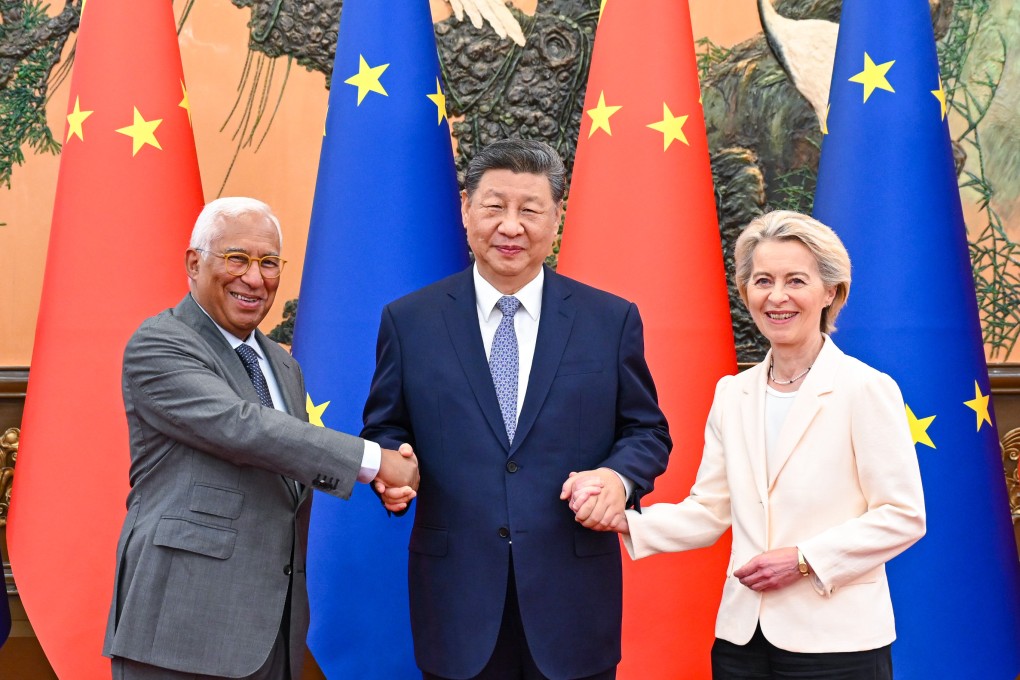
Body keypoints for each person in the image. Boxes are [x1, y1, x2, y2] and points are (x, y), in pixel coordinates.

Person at [361, 139, 672, 680]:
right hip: (456, 603)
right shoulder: (409, 322)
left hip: (573, 603)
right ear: (465, 209)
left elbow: (646, 430)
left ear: (556, 217)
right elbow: (386, 426)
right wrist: (392, 469)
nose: (511, 226)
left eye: (530, 210)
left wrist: (618, 479)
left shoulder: (609, 320)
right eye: (494, 207)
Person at [569, 210, 926, 679]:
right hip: (741, 639)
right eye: (762, 281)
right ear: (745, 293)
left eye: (795, 280)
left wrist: (803, 561)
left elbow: (902, 515)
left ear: (831, 292)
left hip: (836, 640)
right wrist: (625, 520)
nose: (777, 296)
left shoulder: (866, 388)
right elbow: (710, 510)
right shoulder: (732, 393)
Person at [102, 197, 419, 680]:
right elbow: (242, 427)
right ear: (194, 263)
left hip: (272, 632)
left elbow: (288, 457)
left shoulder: (283, 364)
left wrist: (382, 478)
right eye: (237, 258)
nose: (255, 278)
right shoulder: (160, 344)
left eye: (269, 263)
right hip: (181, 631)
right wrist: (374, 462)